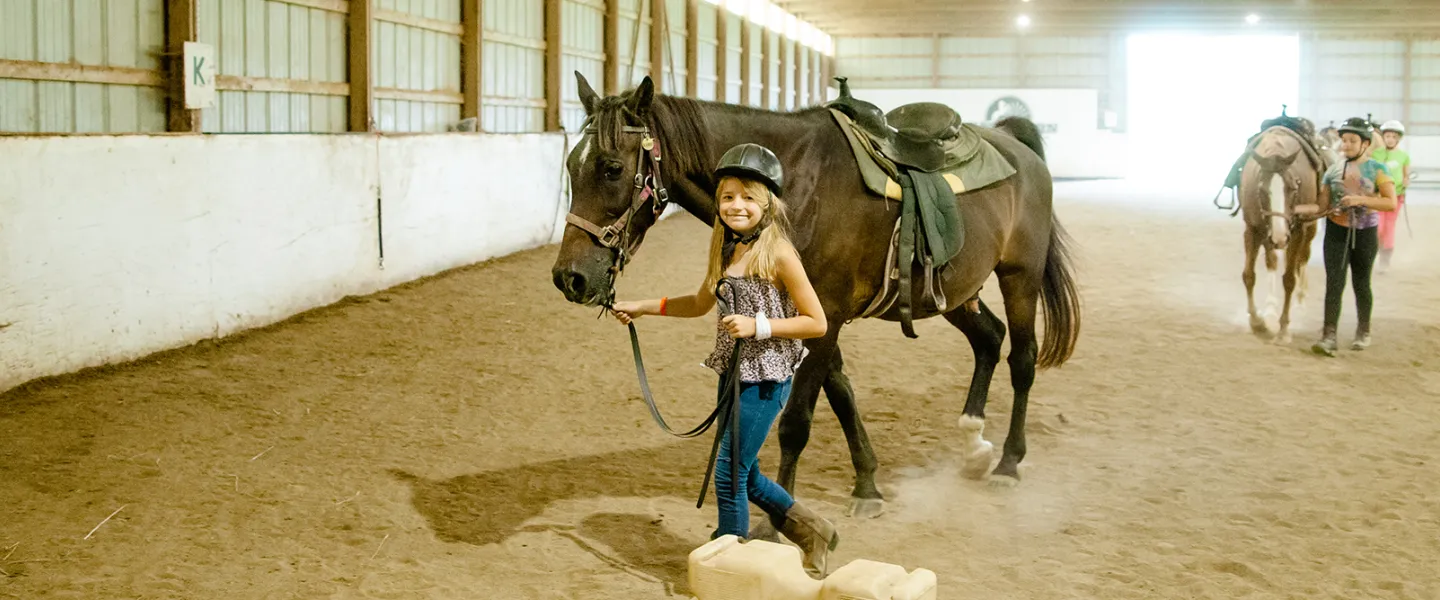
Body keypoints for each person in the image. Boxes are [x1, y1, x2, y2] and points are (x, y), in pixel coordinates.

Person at [609, 143, 840, 578]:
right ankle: (814, 531)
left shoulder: (780, 255)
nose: (736, 206)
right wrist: (643, 305)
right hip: (733, 372)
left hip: (768, 377)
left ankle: (732, 566)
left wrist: (760, 326)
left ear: (767, 204)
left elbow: (818, 322)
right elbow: (699, 303)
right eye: (728, 196)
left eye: (748, 197)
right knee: (744, 471)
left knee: (729, 471)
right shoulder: (725, 249)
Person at [1312, 117, 1399, 356]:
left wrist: (1360, 200)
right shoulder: (1332, 171)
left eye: (1352, 140)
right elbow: (1321, 207)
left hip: (1365, 235)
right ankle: (1328, 335)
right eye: (1344, 140)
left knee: (1361, 283)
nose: (1346, 145)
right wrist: (1291, 211)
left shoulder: (1378, 170)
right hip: (1336, 232)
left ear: (1365, 143)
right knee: (1334, 284)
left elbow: (1390, 202)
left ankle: (1363, 330)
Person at [1371, 120, 1412, 270]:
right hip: (1379, 197)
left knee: (1388, 227)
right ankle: (1375, 254)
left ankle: (1385, 259)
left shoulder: (1404, 156)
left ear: (1398, 139)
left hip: (1396, 197)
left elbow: (1406, 174)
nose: (1390, 139)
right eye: (1387, 136)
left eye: (1393, 137)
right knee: (1378, 227)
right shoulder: (1376, 154)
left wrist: (1406, 181)